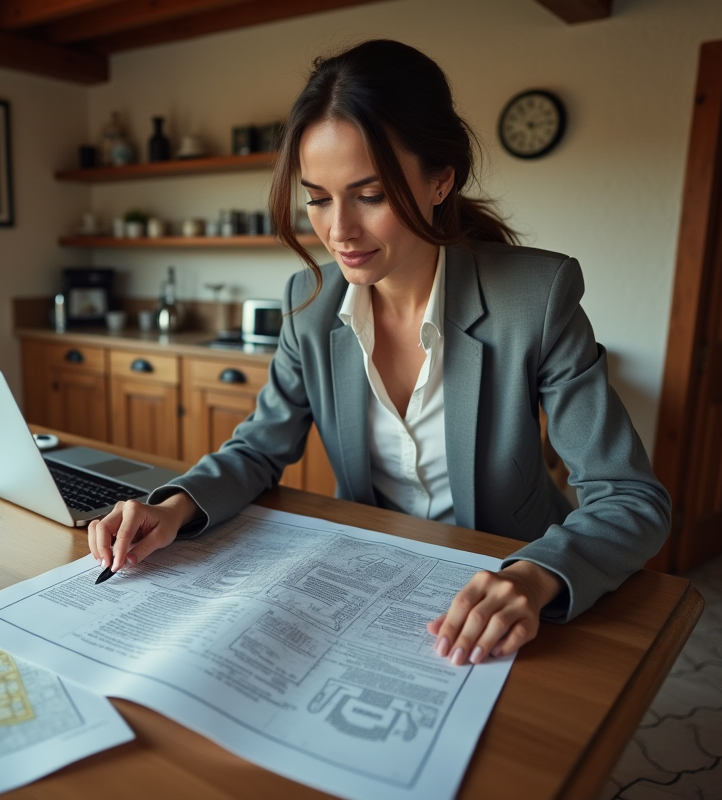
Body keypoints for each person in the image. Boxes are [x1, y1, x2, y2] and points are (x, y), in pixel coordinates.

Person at [88, 39, 670, 667]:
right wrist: (172, 508)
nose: (338, 231)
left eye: (370, 195)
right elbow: (258, 448)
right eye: (318, 197)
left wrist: (534, 576)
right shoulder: (309, 303)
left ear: (440, 180)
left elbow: (630, 497)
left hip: (507, 581)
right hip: (372, 582)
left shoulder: (536, 298)